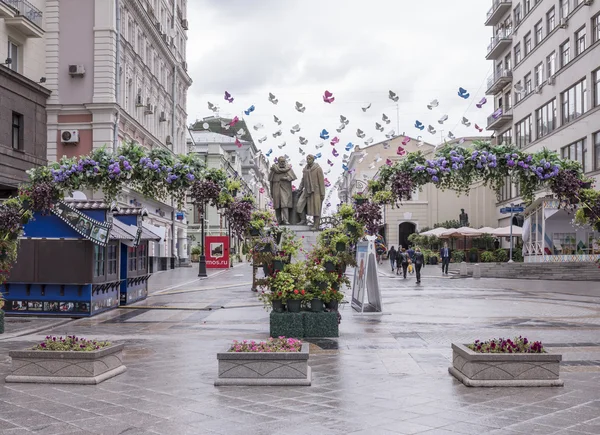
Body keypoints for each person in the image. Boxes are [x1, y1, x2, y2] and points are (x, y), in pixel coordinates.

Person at [297, 154, 325, 230]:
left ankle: (316, 225)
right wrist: (299, 189)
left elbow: (321, 182)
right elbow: (303, 180)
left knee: (316, 208)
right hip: (306, 190)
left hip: (316, 191)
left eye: (309, 159)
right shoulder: (305, 169)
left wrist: (322, 193)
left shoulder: (318, 168)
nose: (308, 160)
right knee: (299, 205)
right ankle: (303, 220)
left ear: (313, 159)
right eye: (307, 159)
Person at [269, 157, 296, 225]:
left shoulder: (288, 168)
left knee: (285, 204)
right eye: (281, 161)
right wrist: (271, 191)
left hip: (285, 188)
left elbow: (292, 177)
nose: (283, 163)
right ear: (278, 162)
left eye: (284, 161)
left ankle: (286, 220)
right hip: (276, 187)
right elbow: (271, 181)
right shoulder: (274, 169)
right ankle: (279, 220)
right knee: (277, 206)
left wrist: (286, 178)